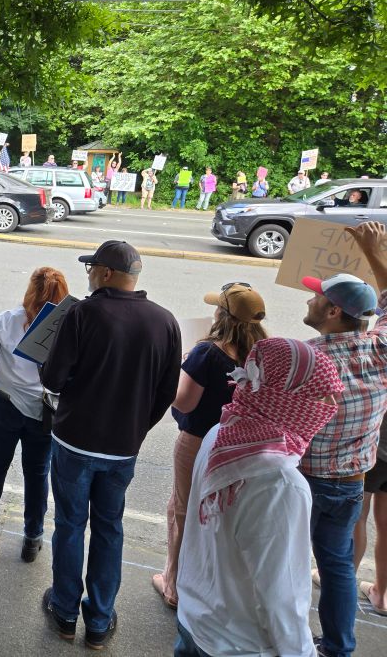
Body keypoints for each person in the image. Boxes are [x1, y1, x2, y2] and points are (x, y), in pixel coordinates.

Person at [40, 240, 180, 650]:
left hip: (74, 442)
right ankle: (99, 621)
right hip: (122, 449)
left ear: (104, 273)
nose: (87, 275)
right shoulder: (165, 321)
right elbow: (166, 393)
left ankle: (65, 612)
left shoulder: (83, 313)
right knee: (109, 529)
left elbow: (52, 380)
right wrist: (136, 428)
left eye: (91, 269)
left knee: (69, 525)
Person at [174, 338, 345, 657]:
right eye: (318, 397)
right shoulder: (281, 483)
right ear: (287, 398)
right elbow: (282, 595)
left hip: (195, 623)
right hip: (241, 646)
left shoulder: (220, 435)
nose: (328, 407)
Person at [151, 282, 268, 609]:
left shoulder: (207, 353)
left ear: (222, 315)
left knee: (183, 509)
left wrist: (180, 369)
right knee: (222, 514)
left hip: (200, 442)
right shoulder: (265, 353)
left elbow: (185, 403)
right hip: (241, 445)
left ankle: (173, 584)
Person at [300, 221, 387, 657]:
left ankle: (285, 634)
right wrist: (375, 254)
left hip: (304, 479)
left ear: (333, 311)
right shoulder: (380, 350)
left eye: (317, 296)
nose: (310, 299)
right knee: (336, 565)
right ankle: (338, 647)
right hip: (351, 481)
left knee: (287, 559)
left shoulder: (307, 357)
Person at [0, 267, 69, 563]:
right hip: (44, 411)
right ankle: (32, 538)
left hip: (4, 404)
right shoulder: (69, 328)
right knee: (37, 474)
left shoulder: (6, 319)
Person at [355, 413, 387, 617]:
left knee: (357, 516)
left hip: (374, 450)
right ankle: (381, 594)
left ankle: (344, 582)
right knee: (385, 524)